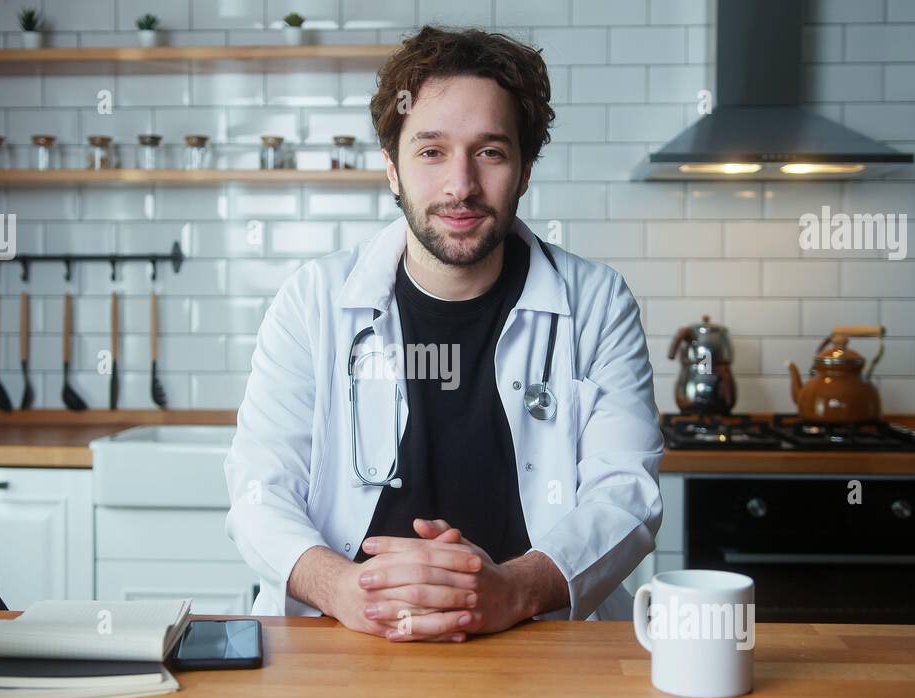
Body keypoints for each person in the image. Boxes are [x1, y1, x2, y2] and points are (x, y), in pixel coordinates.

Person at [224, 26, 663, 642]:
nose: (461, 185)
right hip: (344, 638)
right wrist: (348, 589)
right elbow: (257, 492)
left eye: (490, 151)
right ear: (392, 169)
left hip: (542, 639)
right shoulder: (312, 302)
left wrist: (511, 590)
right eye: (431, 151)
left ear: (526, 168)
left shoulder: (597, 301)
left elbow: (626, 494)